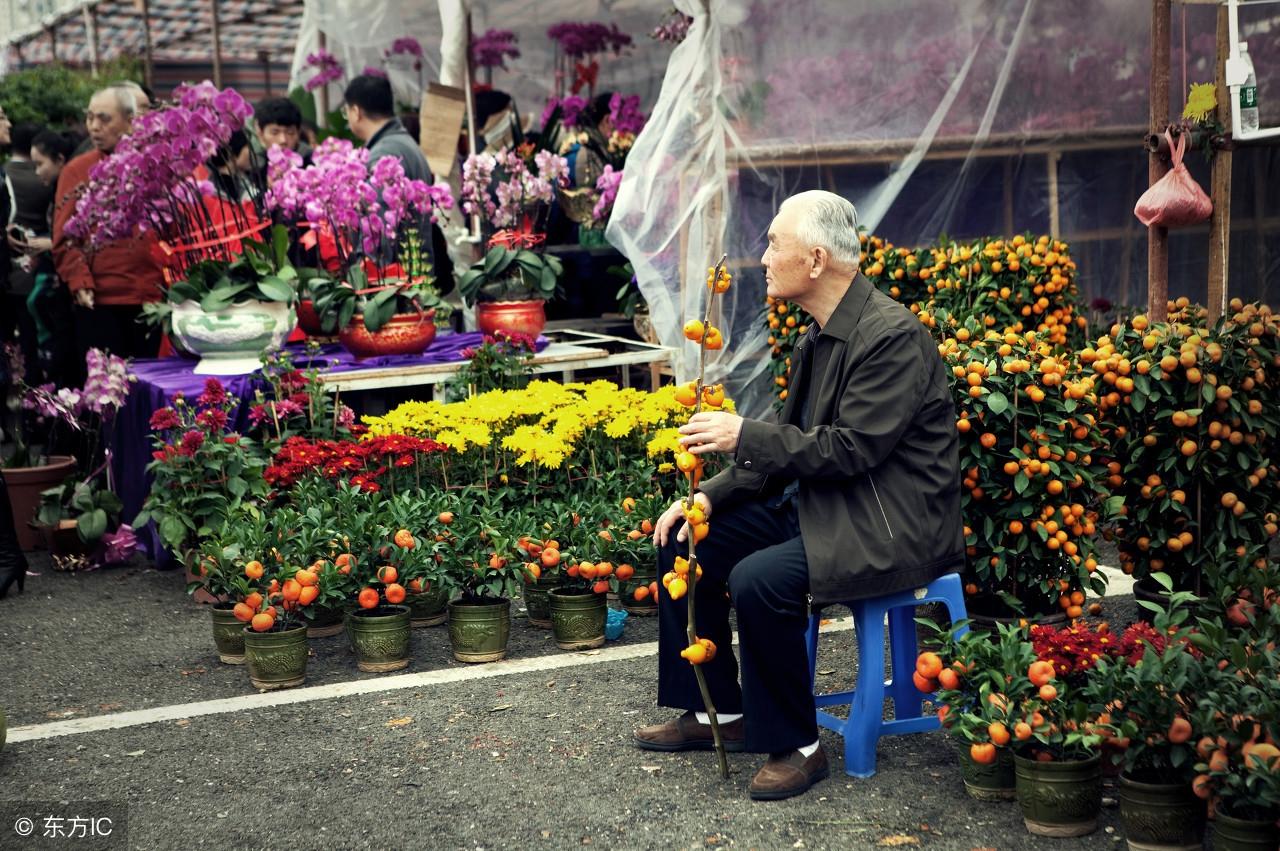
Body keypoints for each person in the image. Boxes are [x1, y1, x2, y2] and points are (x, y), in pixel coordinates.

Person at [633, 191, 964, 801]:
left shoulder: (892, 335)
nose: (763, 257)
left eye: (773, 243)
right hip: (827, 508)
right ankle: (718, 713)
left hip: (884, 523)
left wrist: (742, 435)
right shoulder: (821, 335)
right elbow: (790, 450)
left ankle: (799, 745)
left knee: (761, 578)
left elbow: (851, 450)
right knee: (687, 539)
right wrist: (707, 496)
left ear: (815, 260)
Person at [52, 85, 165, 366]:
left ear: (131, 121)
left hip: (153, 300)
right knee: (106, 394)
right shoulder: (77, 170)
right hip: (100, 301)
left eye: (104, 119)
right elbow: (65, 237)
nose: (94, 127)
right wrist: (79, 280)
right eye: (89, 118)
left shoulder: (154, 164)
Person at [342, 74, 431, 182]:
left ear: (356, 112)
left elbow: (377, 198)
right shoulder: (402, 141)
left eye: (346, 112)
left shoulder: (383, 154)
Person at [253, 96, 311, 161]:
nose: (283, 140)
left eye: (290, 133)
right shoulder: (253, 164)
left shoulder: (311, 162)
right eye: (275, 133)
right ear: (260, 134)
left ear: (298, 133)